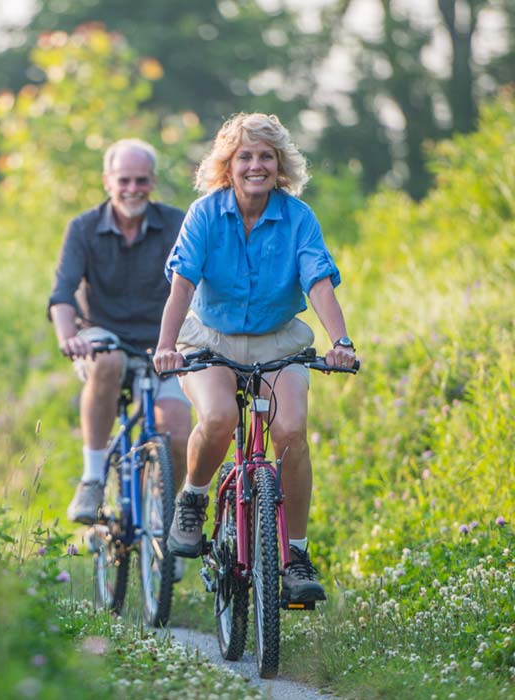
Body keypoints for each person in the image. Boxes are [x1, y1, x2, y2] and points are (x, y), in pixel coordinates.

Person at [152, 113, 356, 604]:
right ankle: (194, 498)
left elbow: (319, 283)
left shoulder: (298, 217)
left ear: (280, 164)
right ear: (229, 164)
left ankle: (296, 556)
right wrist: (164, 346)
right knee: (219, 417)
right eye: (245, 156)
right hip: (210, 339)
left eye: (266, 156)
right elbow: (181, 285)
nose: (256, 166)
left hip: (278, 339)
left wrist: (342, 341)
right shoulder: (204, 214)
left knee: (290, 431)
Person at [48, 138, 192, 526]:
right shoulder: (83, 228)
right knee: (106, 359)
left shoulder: (177, 224)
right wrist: (68, 338)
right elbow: (62, 294)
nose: (133, 189)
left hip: (166, 344)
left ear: (153, 181)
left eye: (141, 180)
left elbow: (203, 284)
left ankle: (162, 518)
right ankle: (93, 476)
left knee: (178, 435)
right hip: (103, 338)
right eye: (124, 180)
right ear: (107, 181)